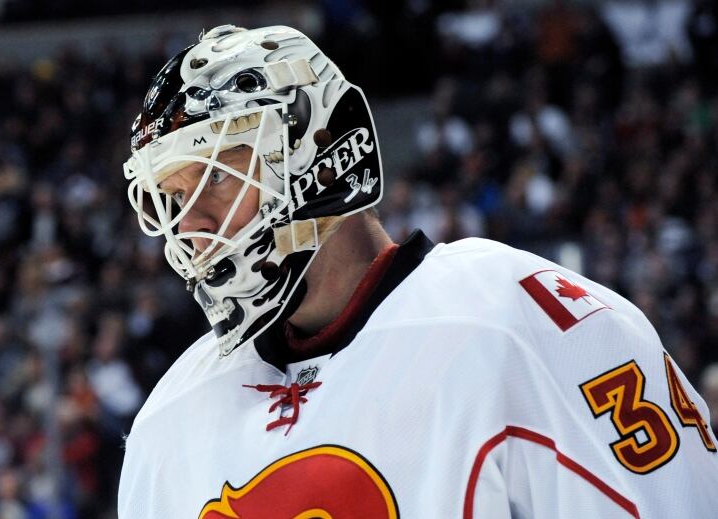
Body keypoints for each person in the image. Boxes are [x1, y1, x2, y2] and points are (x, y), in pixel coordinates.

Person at [118, 25, 718, 518]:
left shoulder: (514, 321)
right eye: (172, 195)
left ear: (320, 149)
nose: (190, 221)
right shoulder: (168, 421)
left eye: (216, 175)